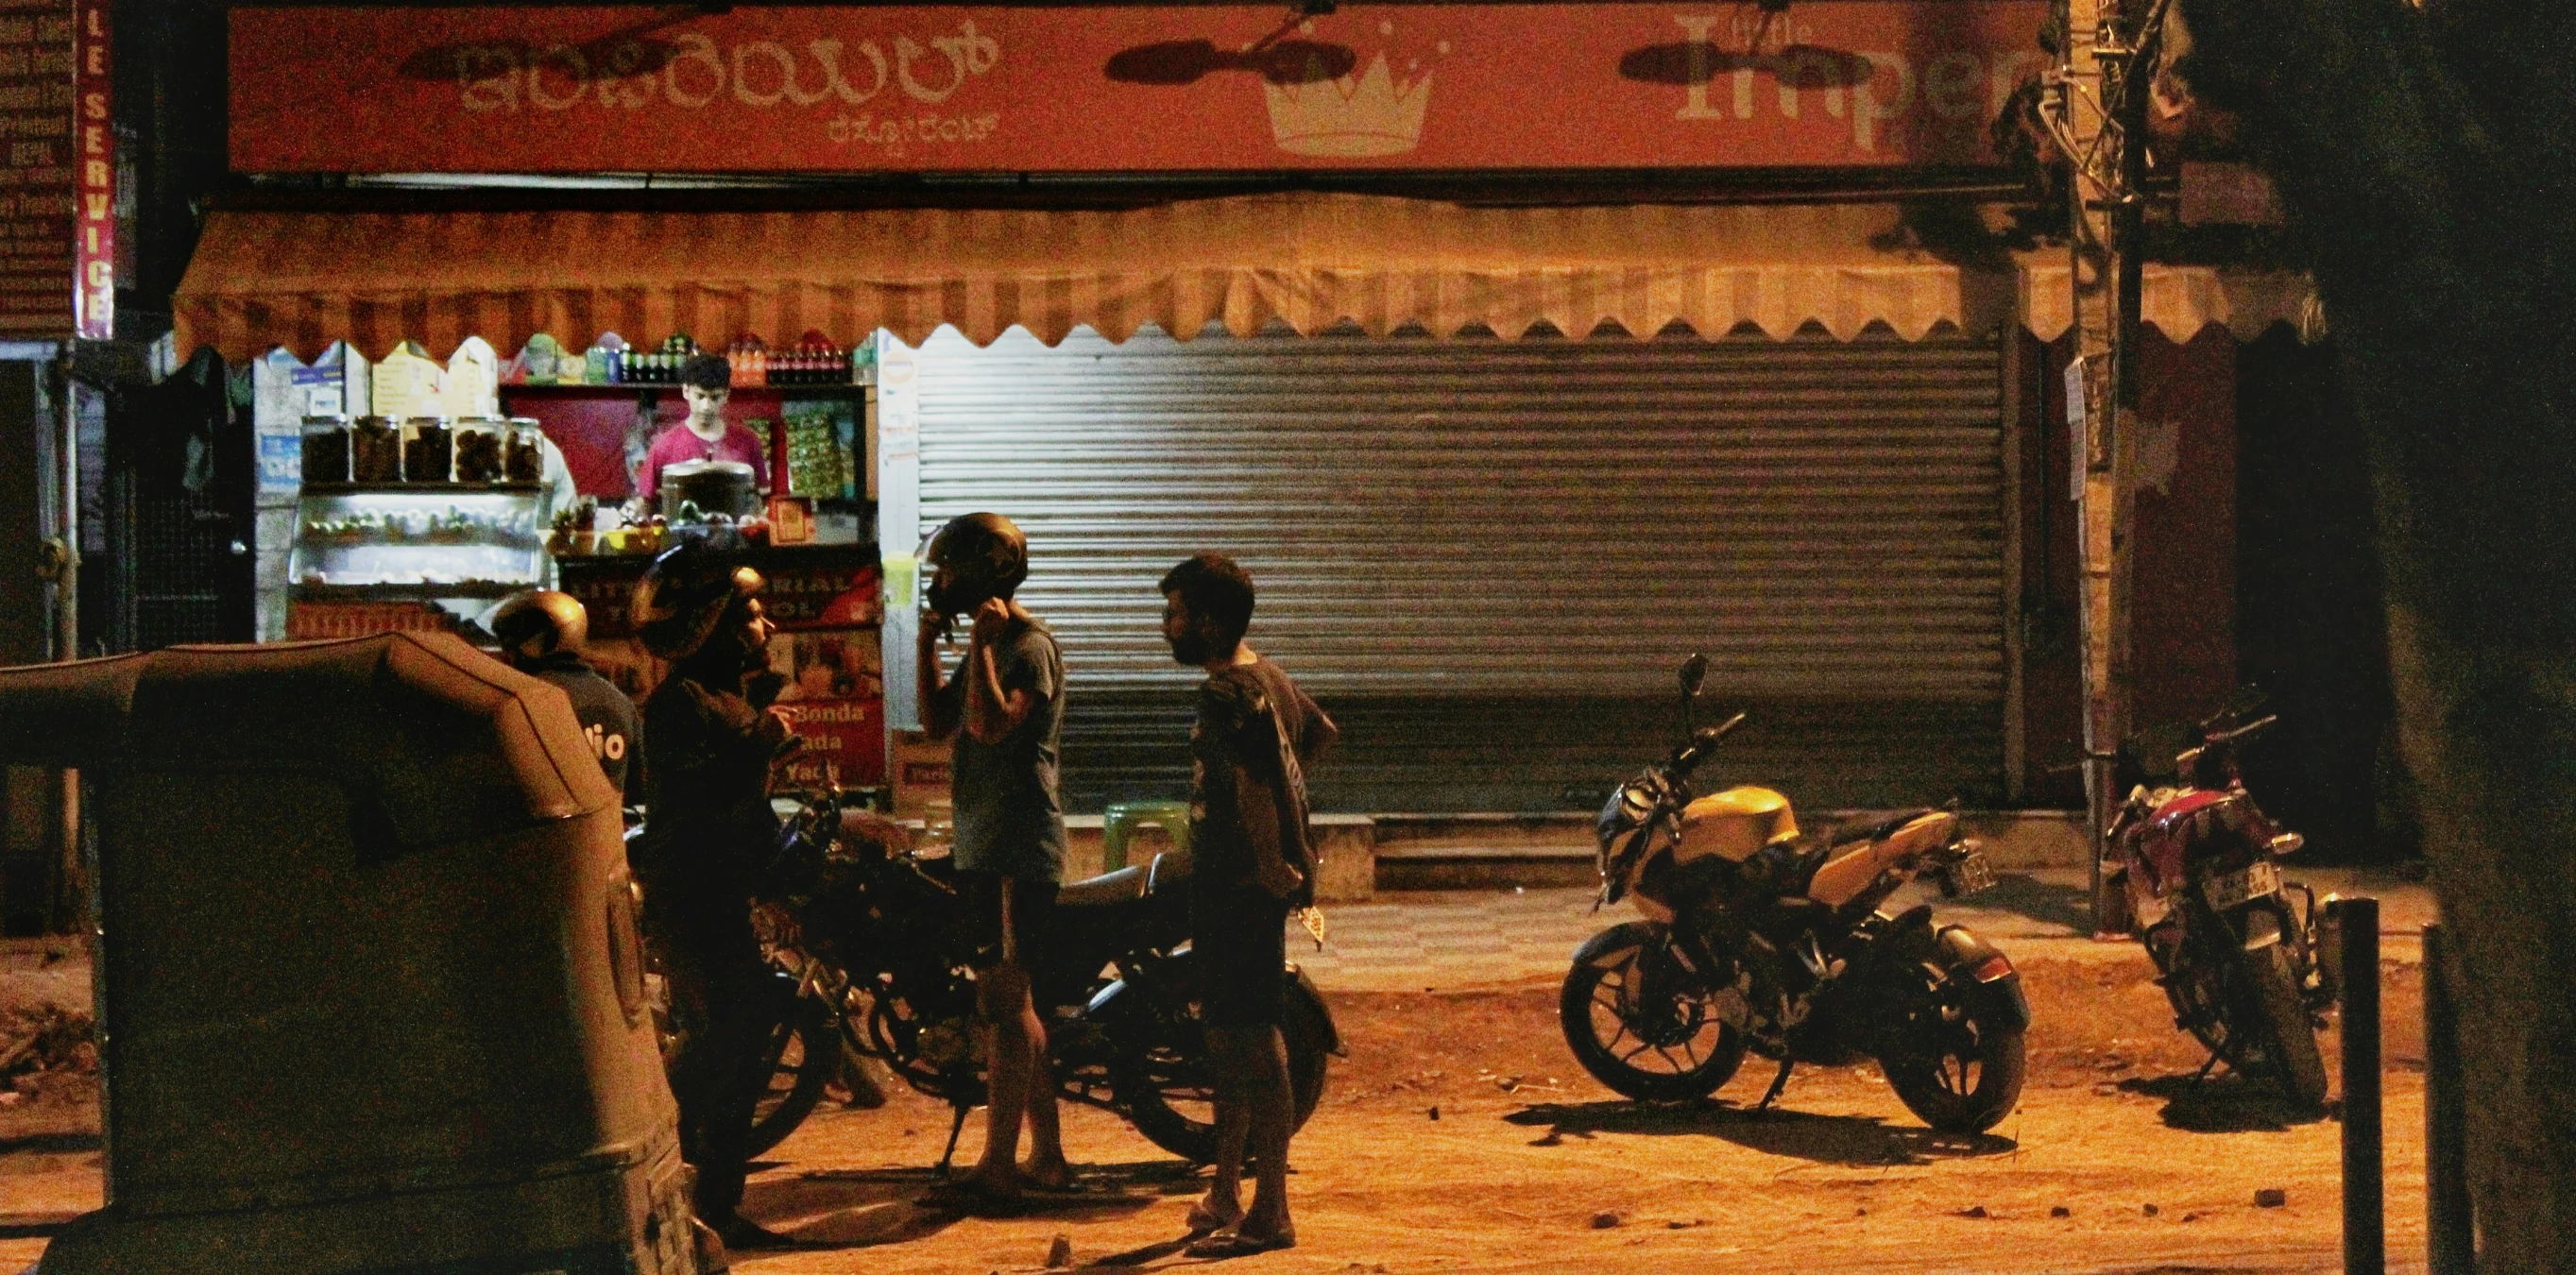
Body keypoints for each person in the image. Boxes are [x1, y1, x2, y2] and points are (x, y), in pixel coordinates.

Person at [1160, 552, 1336, 1258]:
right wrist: (1291, 831)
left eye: (1172, 614)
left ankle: (1271, 1212)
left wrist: (1268, 858)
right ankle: (1226, 1189)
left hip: (1239, 889)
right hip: (1241, 888)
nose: (1164, 627)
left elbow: (1254, 785)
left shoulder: (1227, 693)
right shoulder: (1270, 679)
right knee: (1226, 1039)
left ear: (1205, 622)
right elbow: (1317, 735)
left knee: (1254, 1044)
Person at [629, 530, 800, 1250]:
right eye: (750, 615)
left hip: (723, 892)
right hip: (696, 898)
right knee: (724, 1043)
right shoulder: (680, 706)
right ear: (710, 626)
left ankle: (717, 1202)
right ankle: (666, 1176)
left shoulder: (722, 696)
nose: (766, 627)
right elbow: (697, 804)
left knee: (742, 1042)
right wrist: (760, 739)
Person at [913, 511, 1072, 1209]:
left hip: (1016, 843)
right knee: (1013, 1002)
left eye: (949, 572)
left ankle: (998, 1167)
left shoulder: (1026, 647)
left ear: (986, 572)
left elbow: (990, 724)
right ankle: (1048, 1157)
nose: (939, 583)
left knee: (1004, 1007)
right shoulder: (990, 644)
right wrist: (928, 645)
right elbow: (938, 724)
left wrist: (979, 647)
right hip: (986, 840)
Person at [489, 589, 641, 803]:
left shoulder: (521, 701)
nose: (507, 655)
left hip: (547, 834)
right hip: (608, 833)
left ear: (540, 642)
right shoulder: (620, 702)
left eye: (511, 645)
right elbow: (638, 789)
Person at [633, 354, 770, 512]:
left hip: (737, 536)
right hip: (680, 536)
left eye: (714, 397)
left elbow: (761, 501)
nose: (706, 406)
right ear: (686, 391)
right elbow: (645, 503)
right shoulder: (663, 446)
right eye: (700, 396)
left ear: (726, 395)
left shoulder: (748, 441)